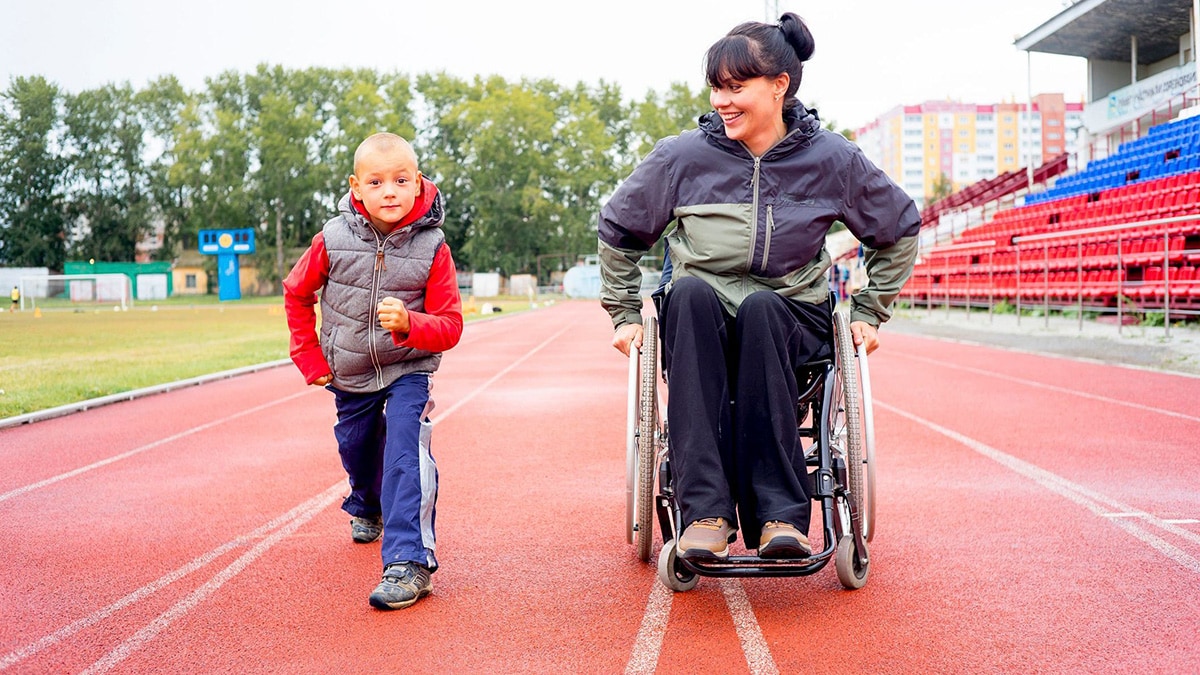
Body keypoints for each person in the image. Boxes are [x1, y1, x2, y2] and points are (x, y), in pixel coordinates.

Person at [598, 13, 920, 561]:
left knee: (765, 308)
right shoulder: (681, 157)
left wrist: (871, 308)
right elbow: (619, 231)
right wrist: (625, 312)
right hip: (703, 320)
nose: (722, 100)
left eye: (736, 86)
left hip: (790, 317)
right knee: (692, 296)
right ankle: (706, 513)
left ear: (779, 86)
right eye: (717, 87)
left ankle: (780, 517)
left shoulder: (832, 159)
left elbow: (900, 228)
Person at [284, 132, 463, 610]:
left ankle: (410, 562)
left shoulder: (432, 246)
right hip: (350, 370)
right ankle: (365, 502)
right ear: (356, 187)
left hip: (409, 368)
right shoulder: (333, 238)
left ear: (418, 182)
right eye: (377, 181)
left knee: (405, 449)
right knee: (358, 448)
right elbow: (296, 293)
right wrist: (309, 357)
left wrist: (411, 324)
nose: (390, 191)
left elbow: (450, 326)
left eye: (401, 180)